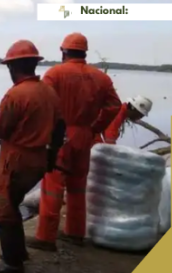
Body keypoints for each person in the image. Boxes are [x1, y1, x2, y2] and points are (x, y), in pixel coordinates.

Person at [0, 40, 64, 273]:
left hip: (16, 161)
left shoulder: (16, 94)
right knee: (15, 203)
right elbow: (60, 127)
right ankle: (19, 253)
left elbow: (1, 130)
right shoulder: (48, 91)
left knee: (5, 209)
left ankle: (11, 263)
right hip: (39, 159)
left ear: (12, 67)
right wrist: (52, 155)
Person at [29, 32, 121, 252]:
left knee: (52, 186)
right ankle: (75, 233)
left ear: (64, 51)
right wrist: (96, 127)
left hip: (59, 135)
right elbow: (114, 106)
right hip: (85, 136)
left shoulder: (55, 73)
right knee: (78, 187)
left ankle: (46, 237)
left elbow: (41, 103)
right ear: (84, 52)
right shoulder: (101, 78)